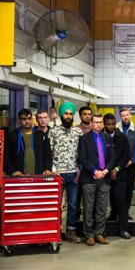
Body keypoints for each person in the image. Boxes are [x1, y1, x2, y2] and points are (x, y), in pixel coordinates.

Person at [78, 113, 115, 246]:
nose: (98, 124)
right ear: (91, 123)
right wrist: (94, 171)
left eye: (100, 122)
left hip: (104, 179)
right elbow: (82, 158)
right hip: (89, 178)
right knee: (88, 208)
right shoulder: (84, 139)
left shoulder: (108, 138)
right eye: (96, 122)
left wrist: (104, 171)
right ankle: (89, 234)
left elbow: (113, 158)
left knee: (102, 208)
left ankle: (99, 233)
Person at [49, 102, 83, 243]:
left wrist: (80, 169)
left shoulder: (78, 132)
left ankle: (70, 232)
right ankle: (55, 232)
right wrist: (53, 170)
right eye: (66, 113)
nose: (68, 116)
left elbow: (82, 152)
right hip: (59, 174)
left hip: (74, 174)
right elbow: (49, 152)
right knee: (56, 204)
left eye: (70, 114)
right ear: (61, 115)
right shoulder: (54, 131)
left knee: (74, 205)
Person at [103, 113, 132, 239]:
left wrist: (117, 169)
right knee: (101, 203)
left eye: (112, 124)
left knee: (121, 202)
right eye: (108, 124)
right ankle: (101, 230)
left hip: (120, 174)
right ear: (104, 124)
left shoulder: (122, 137)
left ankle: (123, 229)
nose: (110, 126)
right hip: (103, 174)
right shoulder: (100, 137)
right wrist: (107, 170)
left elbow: (126, 156)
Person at [5, 109, 52, 176]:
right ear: (19, 121)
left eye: (29, 118)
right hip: (19, 176)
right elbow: (6, 156)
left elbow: (48, 154)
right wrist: (12, 171)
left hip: (39, 176)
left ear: (32, 120)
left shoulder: (41, 135)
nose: (27, 121)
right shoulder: (12, 136)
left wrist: (48, 169)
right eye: (24, 119)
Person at [115, 107, 135, 218]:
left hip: (131, 165)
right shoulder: (115, 129)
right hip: (118, 166)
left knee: (129, 189)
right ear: (120, 117)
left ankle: (126, 212)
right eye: (123, 115)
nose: (125, 117)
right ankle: (115, 212)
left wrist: (132, 160)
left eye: (127, 115)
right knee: (116, 190)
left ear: (130, 115)